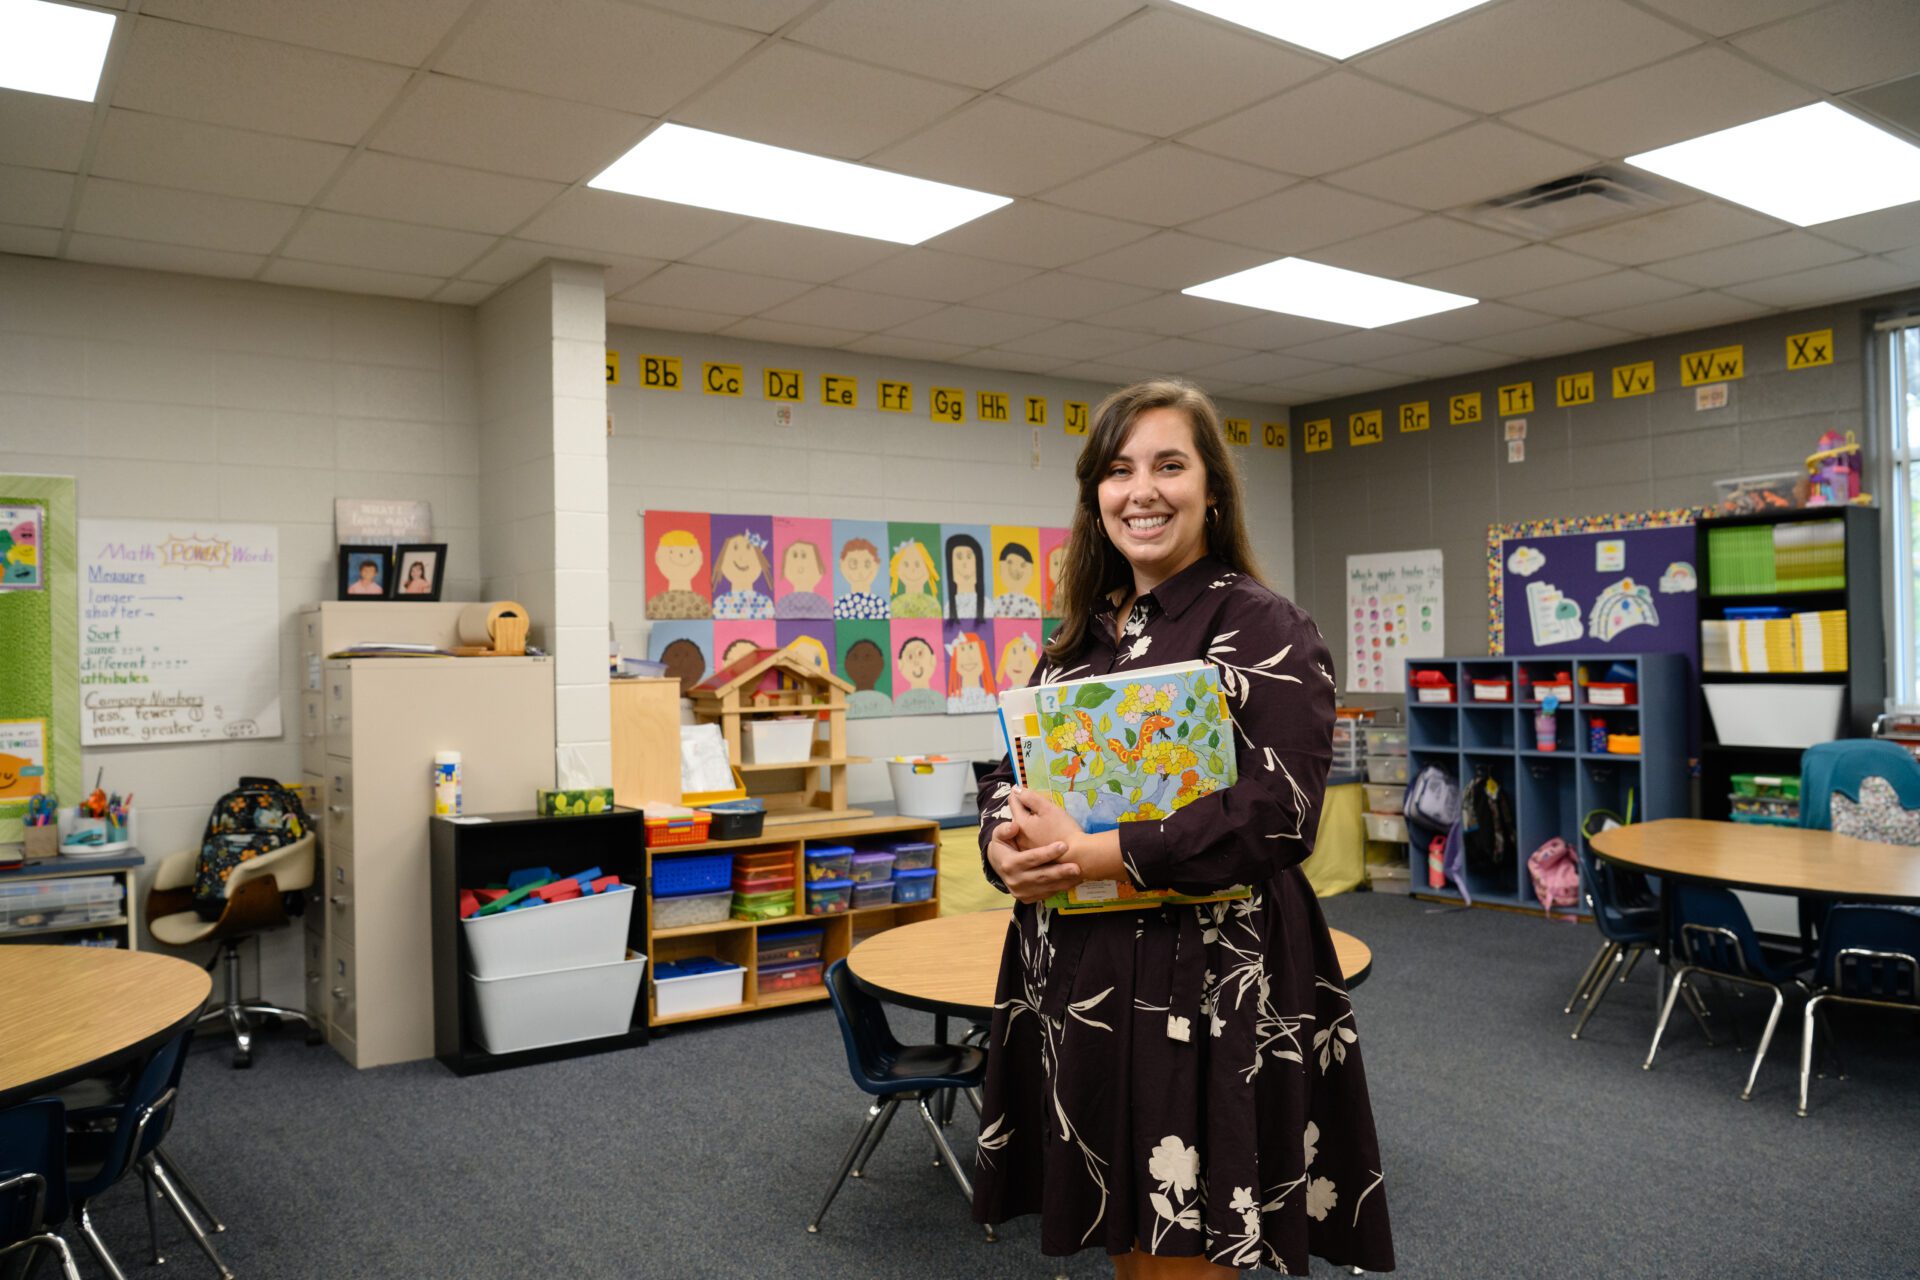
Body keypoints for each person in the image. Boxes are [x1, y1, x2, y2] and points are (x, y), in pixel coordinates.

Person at [971, 380, 1394, 1276]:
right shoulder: (1079, 642)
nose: (1142, 491)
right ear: (1096, 496)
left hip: (1207, 974)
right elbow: (1014, 780)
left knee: (1190, 1228)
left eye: (1170, 465)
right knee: (1128, 1228)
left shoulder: (1263, 625)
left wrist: (1111, 853)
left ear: (1213, 489)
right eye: (1119, 471)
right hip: (1086, 972)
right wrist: (1003, 844)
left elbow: (1280, 815)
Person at [710, 531, 774, 620]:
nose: (741, 557)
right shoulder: (719, 604)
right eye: (735, 548)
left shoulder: (766, 605)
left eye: (748, 548)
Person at [648, 529, 710, 619]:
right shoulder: (656, 604)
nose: (681, 555)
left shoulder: (702, 604)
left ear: (701, 558)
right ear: (657, 558)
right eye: (671, 552)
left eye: (690, 551)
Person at [776, 538, 833, 619]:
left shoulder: (824, 604)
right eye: (794, 555)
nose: (799, 562)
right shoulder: (782, 604)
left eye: (804, 556)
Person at [833, 537, 889, 619]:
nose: (860, 571)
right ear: (841, 564)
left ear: (877, 565)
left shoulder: (881, 605)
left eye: (867, 564)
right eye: (853, 564)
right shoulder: (839, 605)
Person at [946, 630, 998, 714]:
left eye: (971, 649)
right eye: (962, 650)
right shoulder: (953, 700)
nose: (968, 658)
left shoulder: (989, 698)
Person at [891, 635, 944, 715]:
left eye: (920, 653)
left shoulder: (941, 701)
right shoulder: (899, 704)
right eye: (910, 656)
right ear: (900, 665)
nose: (916, 661)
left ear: (933, 659)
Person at [889, 539, 941, 619]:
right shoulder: (895, 605)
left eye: (918, 564)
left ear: (929, 568)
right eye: (906, 565)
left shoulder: (933, 605)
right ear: (897, 570)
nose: (912, 570)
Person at [842, 638, 892, 718]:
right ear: (846, 664)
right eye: (855, 657)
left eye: (868, 657)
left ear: (881, 663)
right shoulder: (843, 704)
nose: (861, 665)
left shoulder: (886, 703)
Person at [991, 541, 1041, 618]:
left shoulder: (1033, 605)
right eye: (1010, 562)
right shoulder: (996, 604)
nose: (1016, 569)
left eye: (1022, 565)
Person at [945, 533, 986, 623]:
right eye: (959, 557)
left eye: (969, 557)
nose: (964, 562)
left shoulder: (987, 606)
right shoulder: (948, 607)